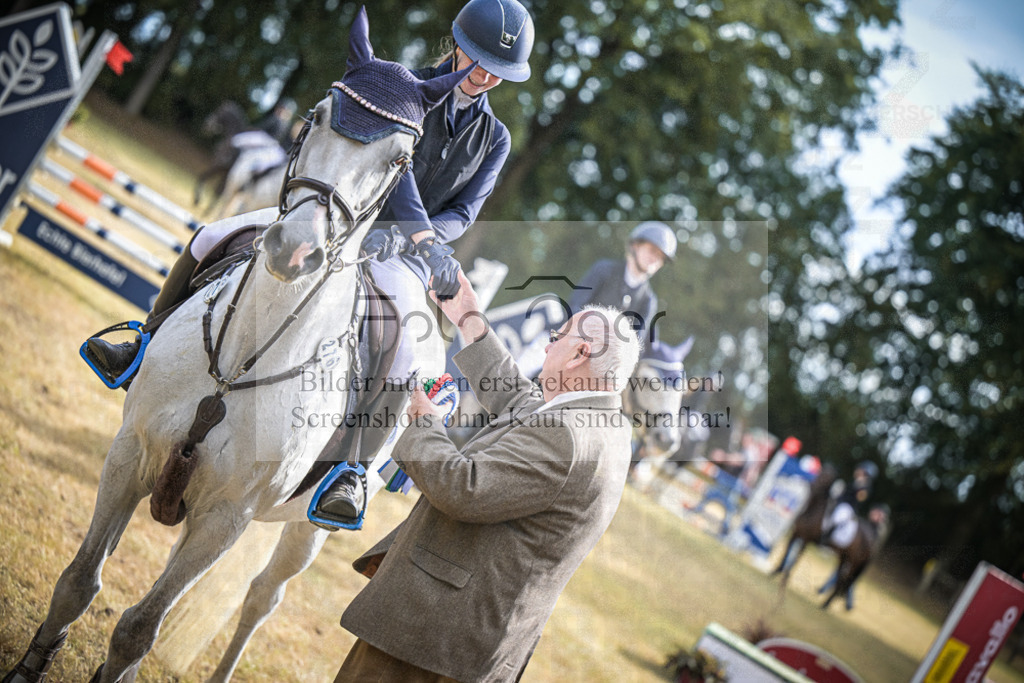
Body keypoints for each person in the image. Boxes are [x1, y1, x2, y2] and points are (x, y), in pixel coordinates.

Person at [333, 270, 641, 682]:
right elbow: (517, 397)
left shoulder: (568, 437)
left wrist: (425, 422)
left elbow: (462, 489)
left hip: (435, 638)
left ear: (578, 354)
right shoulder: (597, 419)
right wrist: (468, 317)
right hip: (456, 637)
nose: (548, 346)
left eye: (556, 337)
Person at [315, 0, 535, 523]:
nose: (484, 75)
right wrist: (420, 235)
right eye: (477, 59)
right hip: (355, 221)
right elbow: (398, 167)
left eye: (497, 70)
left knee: (408, 348)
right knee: (221, 236)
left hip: (412, 257)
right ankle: (147, 338)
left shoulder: (496, 138)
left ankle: (354, 469)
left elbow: (466, 208)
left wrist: (429, 242)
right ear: (456, 42)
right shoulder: (401, 85)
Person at [569, 221, 677, 342]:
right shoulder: (603, 269)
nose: (655, 259)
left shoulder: (649, 300)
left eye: (661, 257)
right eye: (652, 250)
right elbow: (575, 306)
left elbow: (636, 344)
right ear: (635, 246)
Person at [821, 460, 879, 548]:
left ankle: (825, 539)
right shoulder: (855, 481)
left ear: (865, 474)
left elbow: (857, 500)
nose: (857, 470)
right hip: (840, 503)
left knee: (838, 517)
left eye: (860, 469)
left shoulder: (865, 488)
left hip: (848, 508)